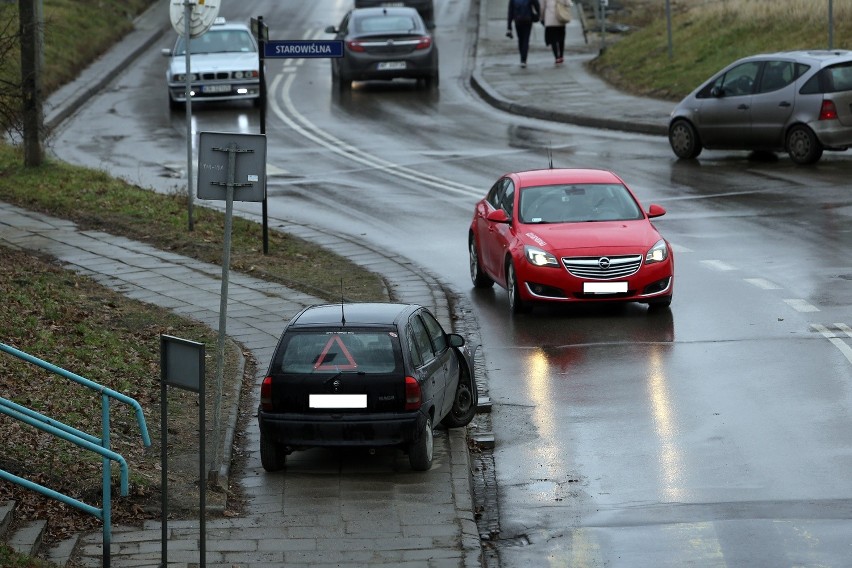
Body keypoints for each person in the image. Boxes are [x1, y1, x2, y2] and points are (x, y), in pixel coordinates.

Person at [506, 0, 541, 68]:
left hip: (518, 20)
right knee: (526, 39)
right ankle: (523, 59)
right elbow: (537, 5)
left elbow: (510, 12)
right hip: (527, 20)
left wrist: (509, 27)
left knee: (520, 39)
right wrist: (538, 15)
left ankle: (522, 57)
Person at [539, 0, 568, 64]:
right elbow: (568, 3)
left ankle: (556, 57)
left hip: (550, 19)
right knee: (561, 38)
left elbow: (542, 7)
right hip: (561, 17)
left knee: (553, 39)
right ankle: (561, 56)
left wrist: (541, 17)